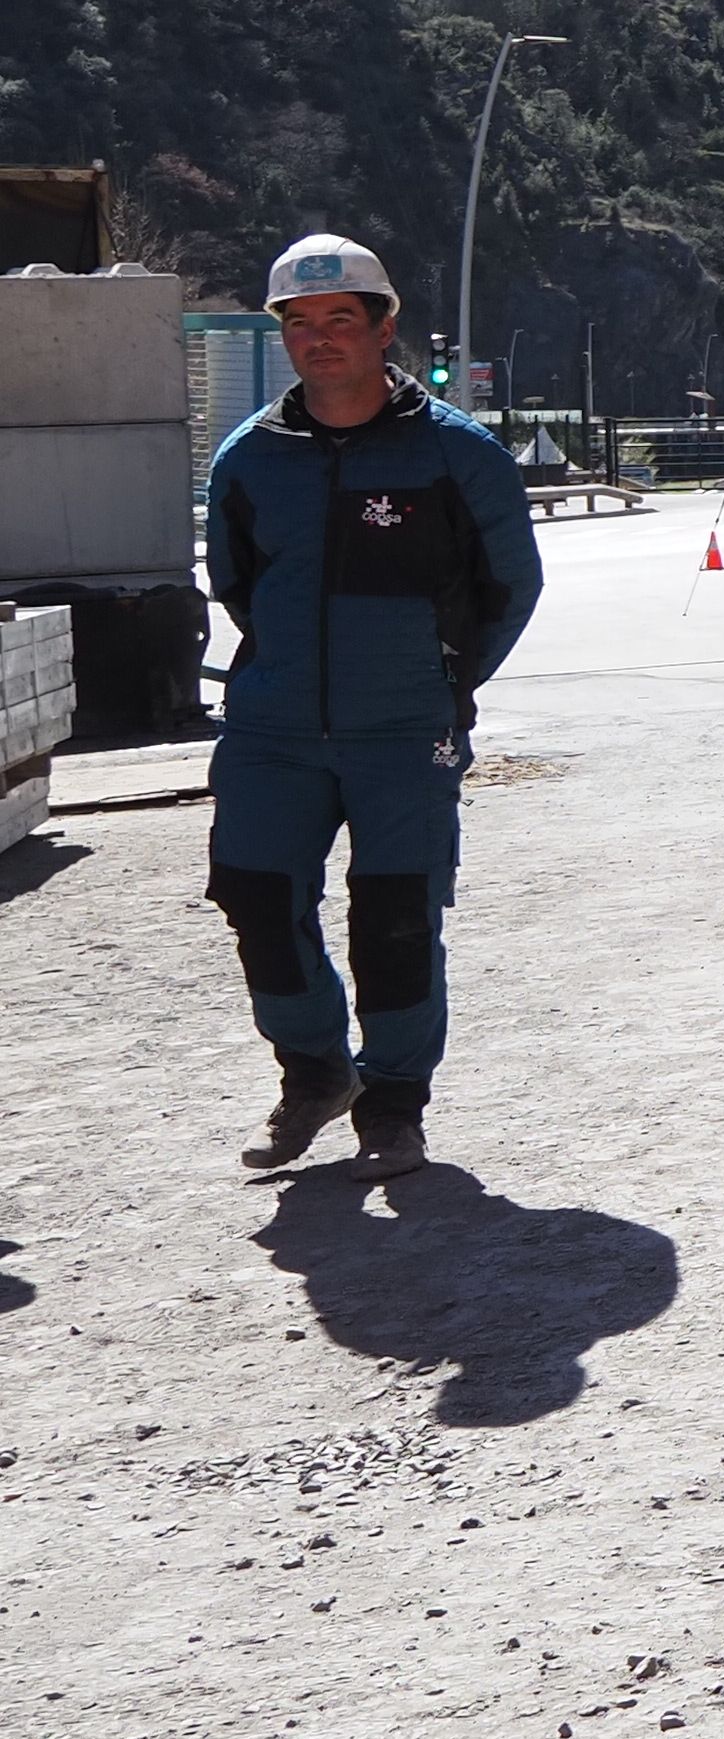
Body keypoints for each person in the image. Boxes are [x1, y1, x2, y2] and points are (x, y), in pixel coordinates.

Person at [203, 233, 545, 1174]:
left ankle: (392, 1101)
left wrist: (440, 683)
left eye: (339, 321)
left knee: (395, 917)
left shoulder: (455, 455)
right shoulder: (250, 457)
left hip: (404, 730)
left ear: (383, 326)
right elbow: (237, 583)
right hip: (273, 729)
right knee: (256, 897)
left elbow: (509, 587)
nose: (319, 340)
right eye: (300, 324)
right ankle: (315, 1070)